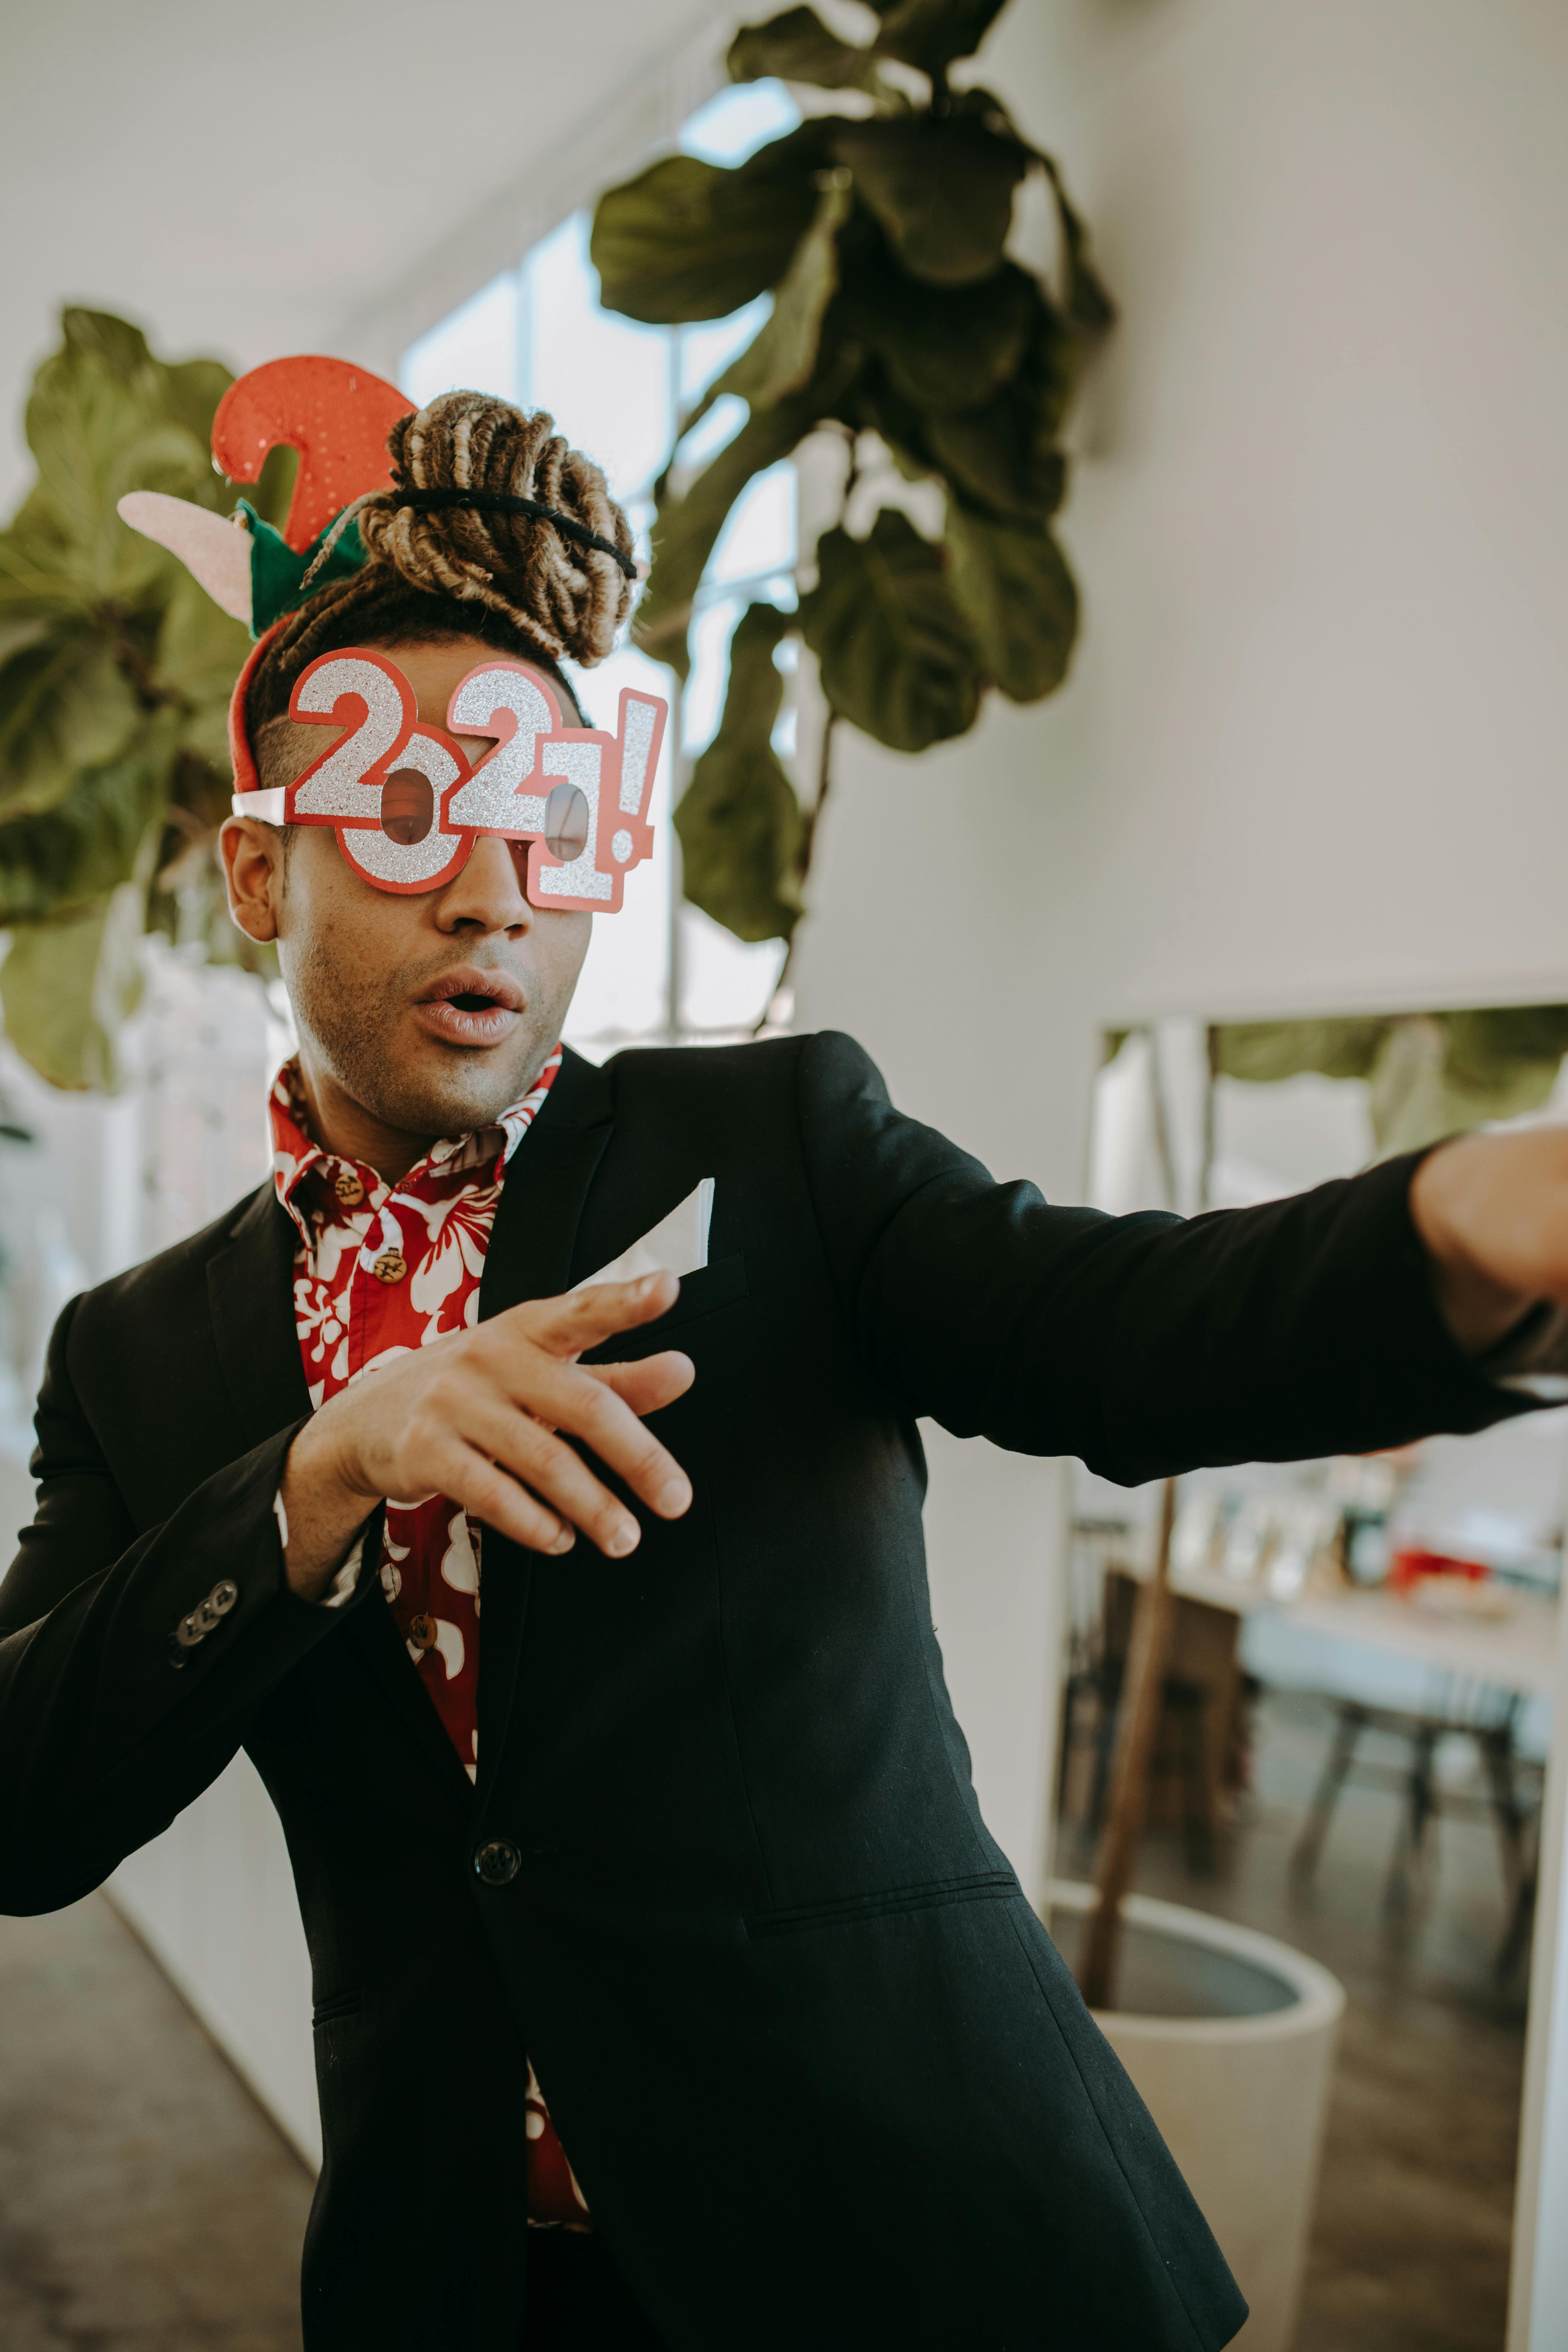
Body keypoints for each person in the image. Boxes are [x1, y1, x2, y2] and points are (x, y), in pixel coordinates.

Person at [2, 379, 1567, 2352]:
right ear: (257, 879)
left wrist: (1468, 1232)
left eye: (543, 833)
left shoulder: (777, 1144)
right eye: (405, 820)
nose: (485, 889)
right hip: (468, 2283)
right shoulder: (139, 1354)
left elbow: (1123, 1333)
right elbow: (24, 1808)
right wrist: (322, 1471)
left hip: (911, 2246)